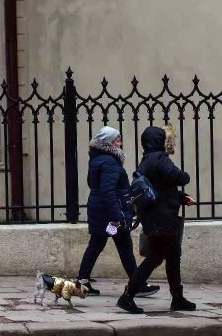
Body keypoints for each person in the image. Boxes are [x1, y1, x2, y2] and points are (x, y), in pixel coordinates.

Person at [117, 125, 197, 314]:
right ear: (160, 140)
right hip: (163, 219)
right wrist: (185, 176)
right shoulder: (160, 159)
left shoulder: (146, 160)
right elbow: (179, 177)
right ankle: (127, 296)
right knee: (155, 258)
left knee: (173, 256)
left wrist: (181, 198)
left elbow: (160, 189)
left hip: (155, 216)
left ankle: (177, 298)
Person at [76, 126, 160, 298]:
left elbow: (93, 184)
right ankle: (137, 284)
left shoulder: (96, 159)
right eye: (117, 141)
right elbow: (108, 190)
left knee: (96, 245)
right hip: (111, 211)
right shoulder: (110, 162)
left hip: (99, 208)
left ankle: (82, 282)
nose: (120, 144)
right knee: (124, 246)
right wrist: (116, 215)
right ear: (108, 143)